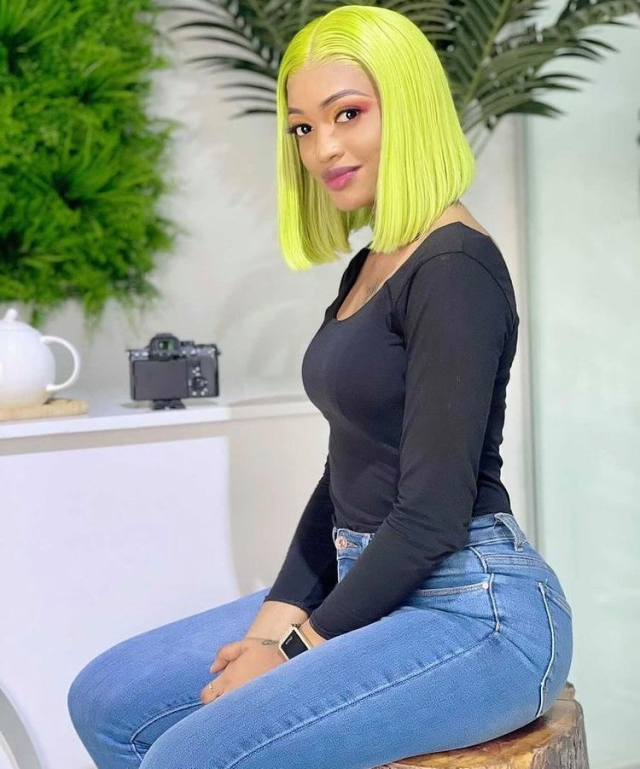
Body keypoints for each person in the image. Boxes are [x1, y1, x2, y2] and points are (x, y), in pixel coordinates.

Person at [68, 6, 573, 768]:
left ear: (407, 108)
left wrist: (296, 648)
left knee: (189, 757)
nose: (322, 147)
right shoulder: (373, 263)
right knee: (106, 700)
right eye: (302, 127)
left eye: (348, 114)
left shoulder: (454, 268)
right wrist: (273, 621)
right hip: (365, 576)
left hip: (477, 611)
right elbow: (345, 474)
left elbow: (432, 514)